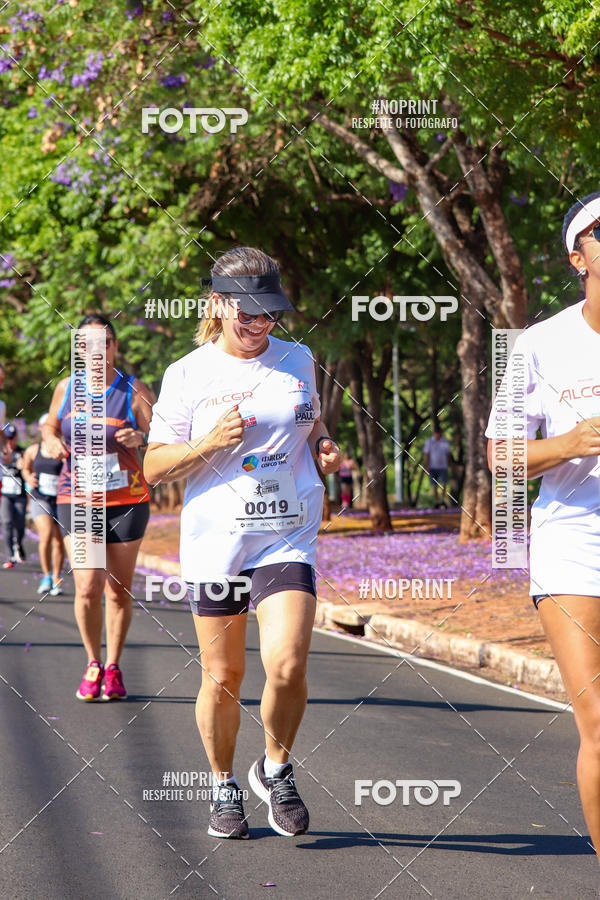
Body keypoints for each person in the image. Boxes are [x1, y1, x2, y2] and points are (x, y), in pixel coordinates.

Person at [144, 246, 340, 840]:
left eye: (269, 313)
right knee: (224, 675)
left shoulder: (297, 358)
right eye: (248, 313)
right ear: (218, 304)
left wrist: (322, 443)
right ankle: (223, 785)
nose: (260, 324)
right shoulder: (187, 373)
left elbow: (310, 418)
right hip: (218, 541)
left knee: (288, 663)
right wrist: (208, 442)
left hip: (285, 533)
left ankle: (275, 769)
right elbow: (154, 467)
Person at [485, 191, 600, 863]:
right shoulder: (539, 345)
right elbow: (499, 454)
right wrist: (570, 444)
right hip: (576, 543)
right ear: (576, 258)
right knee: (599, 723)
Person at [42, 314, 154, 702]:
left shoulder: (133, 390)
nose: (94, 352)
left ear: (113, 347)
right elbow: (49, 426)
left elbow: (164, 435)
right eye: (84, 345)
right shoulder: (66, 388)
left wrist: (141, 437)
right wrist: (50, 441)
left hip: (126, 501)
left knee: (118, 591)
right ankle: (93, 662)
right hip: (78, 498)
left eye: (102, 344)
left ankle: (114, 665)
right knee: (88, 585)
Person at [22, 413, 65, 595]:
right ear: (42, 429)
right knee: (46, 534)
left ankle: (56, 577)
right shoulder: (33, 450)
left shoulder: (64, 450)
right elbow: (25, 469)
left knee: (59, 541)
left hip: (60, 499)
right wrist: (28, 478)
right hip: (40, 498)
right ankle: (46, 575)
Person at [1, 422, 27, 567]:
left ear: (16, 437)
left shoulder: (22, 452)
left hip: (19, 495)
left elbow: (27, 469)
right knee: (7, 523)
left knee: (20, 524)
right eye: (7, 438)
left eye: (12, 438)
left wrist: (23, 465)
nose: (10, 441)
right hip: (6, 495)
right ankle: (9, 555)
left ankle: (18, 545)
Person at [423, 427, 451, 507]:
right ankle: (436, 501)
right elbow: (427, 454)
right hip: (432, 467)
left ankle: (442, 500)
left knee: (444, 483)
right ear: (434, 434)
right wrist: (426, 466)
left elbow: (448, 454)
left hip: (443, 466)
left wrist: (448, 464)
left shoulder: (445, 441)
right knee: (434, 484)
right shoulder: (429, 442)